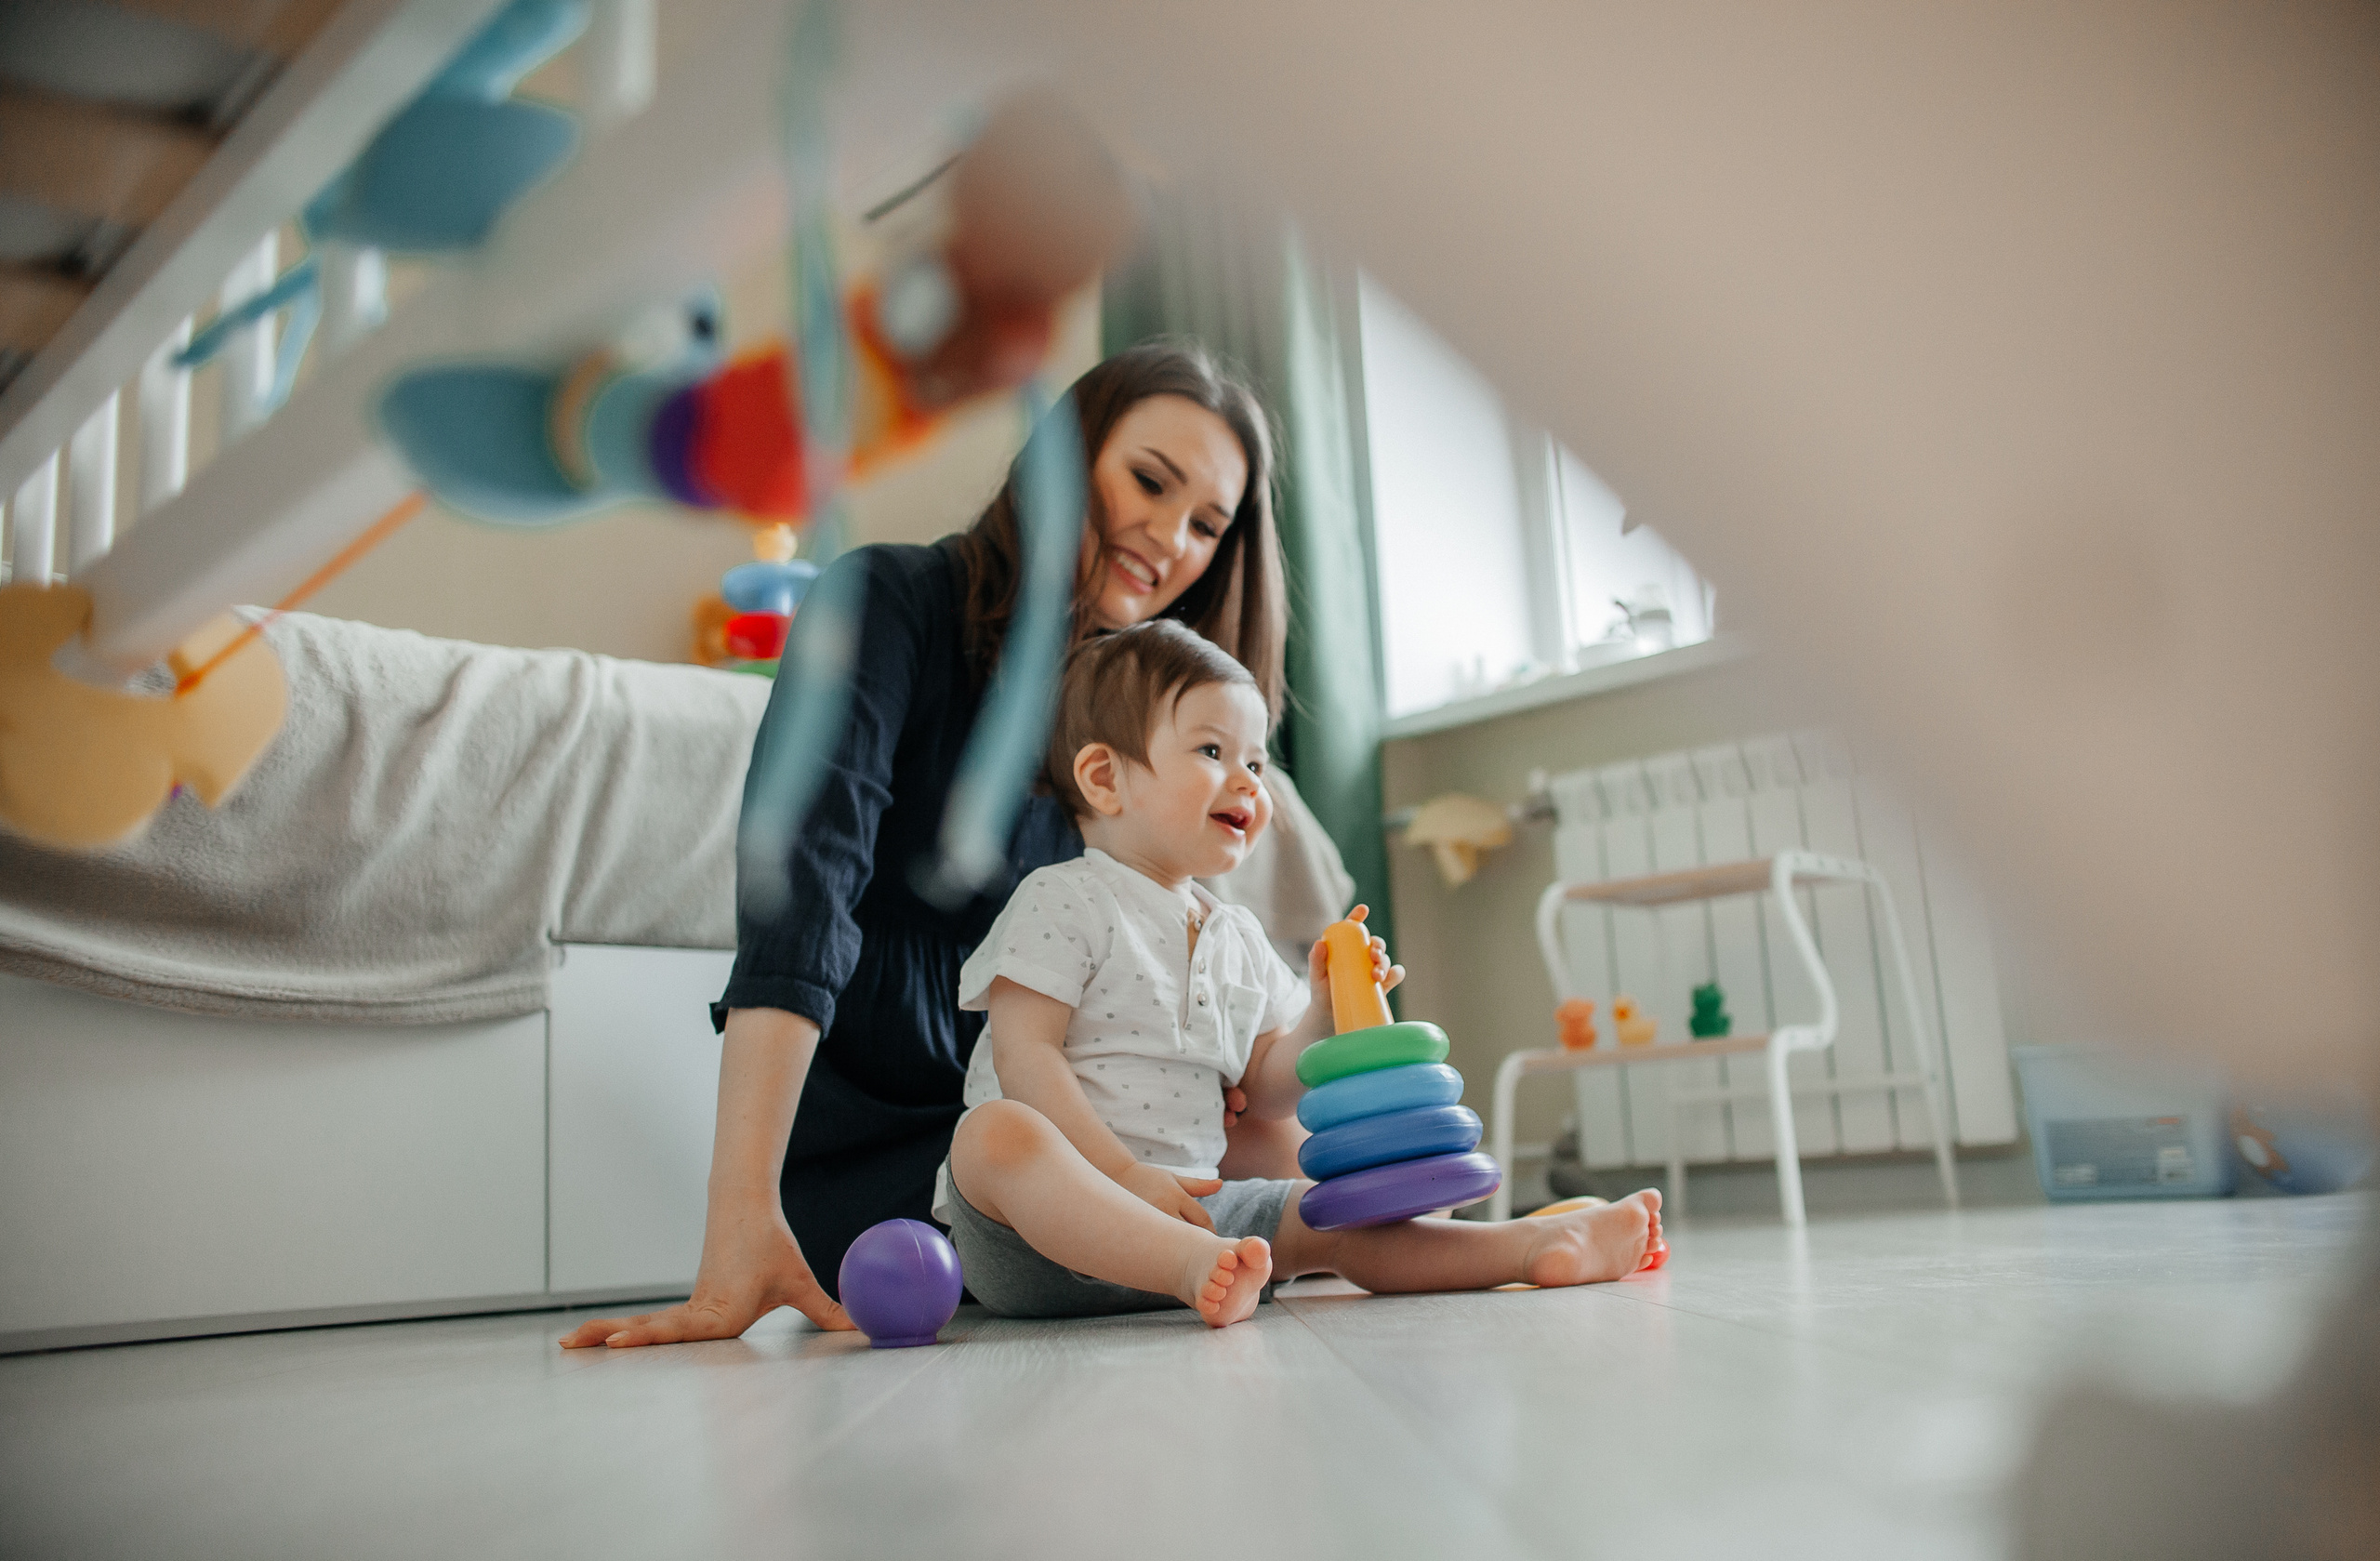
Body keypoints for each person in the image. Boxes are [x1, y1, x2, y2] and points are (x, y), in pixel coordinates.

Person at [564, 343, 1298, 1349]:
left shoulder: (1140, 738)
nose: (1168, 537)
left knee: (1274, 1134)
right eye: (1147, 480)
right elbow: (802, 897)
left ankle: (1428, 1235)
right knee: (1025, 1156)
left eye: (1207, 524)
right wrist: (740, 1215)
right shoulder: (886, 601)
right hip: (900, 1128)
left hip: (1069, 1124)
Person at [942, 621, 1665, 1325]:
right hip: (1039, 1236)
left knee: (1336, 1214)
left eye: (1256, 764)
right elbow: (1024, 1056)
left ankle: (1531, 1243)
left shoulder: (1236, 935)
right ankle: (1184, 1266)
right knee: (994, 1134)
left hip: (1202, 1213)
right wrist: (1126, 1177)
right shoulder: (1062, 897)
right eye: (1213, 749)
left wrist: (1322, 1011)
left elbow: (1266, 1087)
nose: (1249, 783)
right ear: (1104, 777)